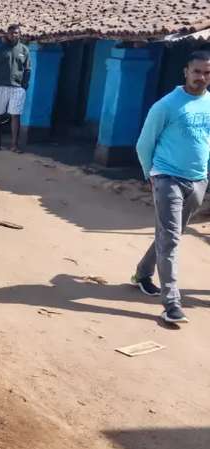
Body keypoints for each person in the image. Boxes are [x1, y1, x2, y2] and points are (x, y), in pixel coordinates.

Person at [131, 50, 210, 324]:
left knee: (170, 233)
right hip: (167, 178)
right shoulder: (166, 105)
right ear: (186, 72)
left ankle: (142, 272)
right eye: (197, 71)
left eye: (207, 73)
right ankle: (171, 304)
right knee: (172, 239)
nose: (202, 77)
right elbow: (144, 143)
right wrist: (150, 174)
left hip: (198, 181)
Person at [0, 24, 30, 153]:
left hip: (17, 88)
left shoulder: (24, 50)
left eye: (16, 33)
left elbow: (27, 69)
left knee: (15, 115)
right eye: (11, 33)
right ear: (7, 34)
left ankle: (14, 145)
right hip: (0, 87)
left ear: (20, 34)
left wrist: (24, 86)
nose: (14, 35)